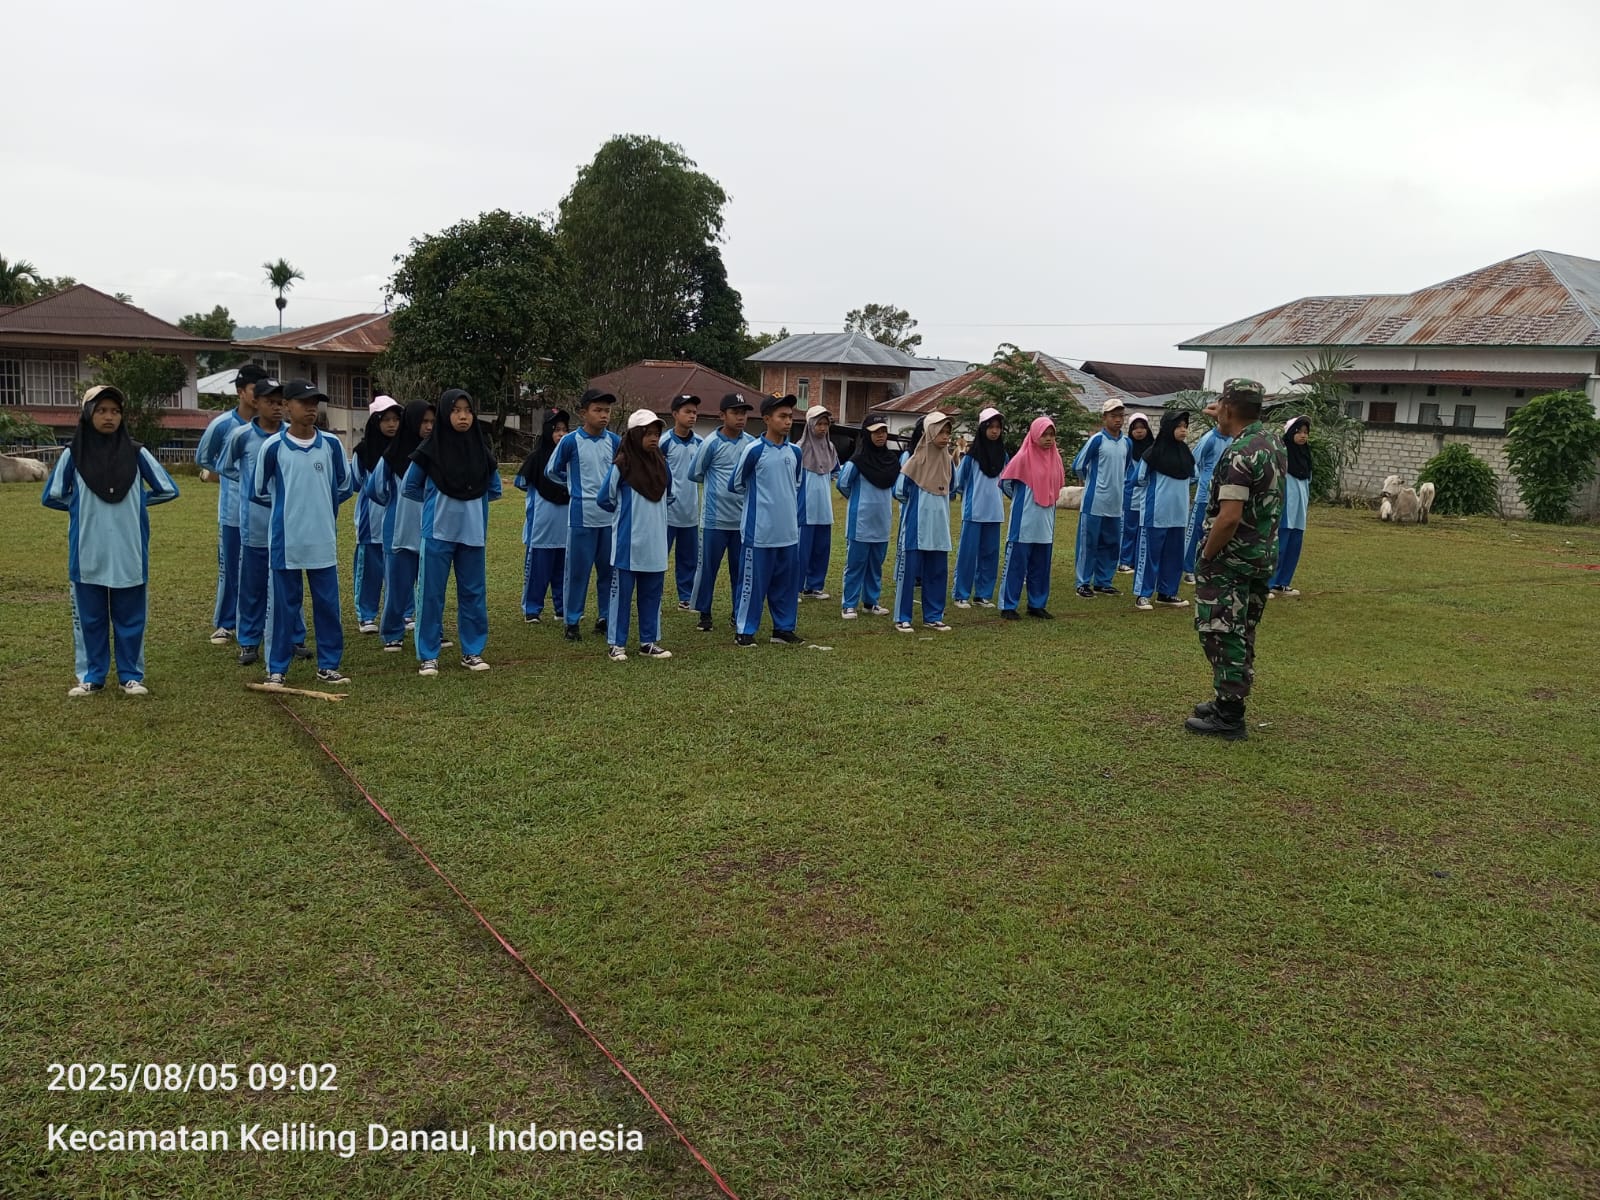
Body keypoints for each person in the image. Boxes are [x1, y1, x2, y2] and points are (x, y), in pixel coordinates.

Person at [42, 385, 180, 696]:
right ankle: (92, 676)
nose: (109, 417)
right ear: (87, 414)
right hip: (88, 551)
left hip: (129, 550)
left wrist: (136, 503)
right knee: (91, 618)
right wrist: (81, 506)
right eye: (102, 410)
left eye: (115, 411)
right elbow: (52, 495)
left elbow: (168, 489)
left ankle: (130, 675)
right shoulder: (72, 454)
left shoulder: (137, 452)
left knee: (130, 617)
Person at [1187, 378, 1285, 740]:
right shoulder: (1272, 443)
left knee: (1222, 632)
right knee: (1242, 630)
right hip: (1260, 555)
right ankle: (1227, 699)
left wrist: (1207, 555)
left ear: (1228, 407)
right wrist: (1223, 416)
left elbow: (1228, 517)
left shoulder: (1239, 454)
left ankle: (1229, 715)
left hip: (1230, 559)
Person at [252, 380, 354, 686]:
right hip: (287, 543)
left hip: (323, 540)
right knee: (284, 608)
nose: (311, 409)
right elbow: (259, 490)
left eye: (315, 403)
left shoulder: (331, 444)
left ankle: (329, 665)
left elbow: (344, 486)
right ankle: (277, 668)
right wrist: (290, 511)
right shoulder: (273, 447)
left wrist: (320, 510)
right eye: (304, 402)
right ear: (287, 406)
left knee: (328, 606)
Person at [403, 388, 501, 676]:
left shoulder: (482, 453)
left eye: (468, 410)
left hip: (472, 533)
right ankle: (428, 655)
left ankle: (472, 651)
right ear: (446, 414)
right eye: (456, 410)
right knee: (431, 594)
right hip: (438, 532)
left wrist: (468, 499)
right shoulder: (429, 450)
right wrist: (438, 501)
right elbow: (410, 486)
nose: (463, 416)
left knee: (473, 593)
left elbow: (494, 489)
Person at [219, 378, 306, 667]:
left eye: (281, 402)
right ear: (256, 403)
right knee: (253, 585)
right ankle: (248, 640)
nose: (277, 407)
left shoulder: (290, 436)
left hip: (286, 525)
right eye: (270, 401)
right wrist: (250, 484)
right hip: (254, 525)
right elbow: (225, 466)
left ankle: (294, 637)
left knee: (289, 585)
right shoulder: (242, 436)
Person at [195, 362, 266, 644]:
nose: (260, 396)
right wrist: (234, 474)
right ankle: (226, 623)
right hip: (233, 511)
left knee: (263, 569)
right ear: (240, 392)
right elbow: (203, 457)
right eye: (254, 390)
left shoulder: (273, 426)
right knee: (231, 568)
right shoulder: (223, 424)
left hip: (265, 512)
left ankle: (262, 620)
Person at [597, 408, 675, 661]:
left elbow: (670, 496)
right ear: (635, 435)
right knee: (621, 595)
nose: (654, 438)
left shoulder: (662, 465)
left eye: (657, 434)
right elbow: (605, 498)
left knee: (652, 593)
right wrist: (625, 516)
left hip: (656, 542)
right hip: (628, 543)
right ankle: (616, 643)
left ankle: (648, 641)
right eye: (648, 433)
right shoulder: (622, 465)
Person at [545, 389, 621, 642]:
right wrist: (573, 486)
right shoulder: (570, 441)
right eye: (597, 410)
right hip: (581, 517)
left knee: (608, 571)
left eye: (607, 411)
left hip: (609, 518)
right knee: (578, 572)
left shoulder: (615, 441)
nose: (603, 415)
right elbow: (551, 470)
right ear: (583, 413)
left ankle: (605, 616)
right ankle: (572, 620)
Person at [729, 394, 804, 646]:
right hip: (759, 533)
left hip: (788, 533)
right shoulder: (754, 450)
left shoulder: (795, 452)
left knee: (786, 584)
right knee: (752, 584)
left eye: (790, 416)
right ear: (767, 419)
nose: (788, 421)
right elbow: (736, 484)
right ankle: (744, 630)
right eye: (782, 416)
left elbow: (795, 484)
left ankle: (783, 629)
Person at [688, 393, 756, 632]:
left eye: (743, 413)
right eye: (735, 412)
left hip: (742, 520)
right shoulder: (711, 443)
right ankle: (704, 613)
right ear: (722, 415)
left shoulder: (751, 443)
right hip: (714, 520)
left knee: (741, 570)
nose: (740, 417)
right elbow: (695, 473)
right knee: (708, 569)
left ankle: (738, 612)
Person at [374, 400, 433, 651]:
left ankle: (432, 630)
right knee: (398, 586)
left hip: (430, 529)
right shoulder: (392, 455)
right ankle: (392, 632)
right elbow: (375, 488)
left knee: (430, 587)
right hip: (399, 530)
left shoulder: (436, 453)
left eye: (433, 422)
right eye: (424, 422)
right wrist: (394, 504)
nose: (429, 427)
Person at [892, 411, 956, 633]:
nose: (945, 436)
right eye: (941, 431)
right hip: (917, 524)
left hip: (940, 525)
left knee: (937, 571)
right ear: (929, 432)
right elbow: (900, 491)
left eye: (948, 432)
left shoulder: (948, 461)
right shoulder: (915, 460)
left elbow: (952, 487)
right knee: (909, 571)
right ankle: (903, 617)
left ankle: (933, 616)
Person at [998, 416, 1064, 619]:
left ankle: (1037, 604)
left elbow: (1058, 485)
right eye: (1044, 434)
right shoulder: (1023, 458)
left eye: (1052, 435)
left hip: (1045, 520)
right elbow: (1005, 483)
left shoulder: (1056, 459)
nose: (1048, 439)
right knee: (1017, 563)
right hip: (1024, 520)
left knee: (1041, 564)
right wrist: (1020, 498)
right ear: (1035, 434)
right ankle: (1008, 605)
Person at [835, 415, 899, 618]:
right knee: (855, 564)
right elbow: (843, 484)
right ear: (866, 434)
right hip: (860, 521)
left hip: (882, 520)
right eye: (875, 432)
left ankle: (871, 602)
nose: (880, 436)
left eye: (883, 431)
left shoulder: (891, 461)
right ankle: (849, 604)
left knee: (875, 564)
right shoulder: (857, 461)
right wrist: (858, 501)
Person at [513, 407, 570, 623]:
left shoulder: (570, 457)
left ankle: (562, 608)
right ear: (547, 431)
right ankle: (532, 609)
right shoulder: (536, 458)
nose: (561, 434)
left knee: (563, 569)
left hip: (565, 523)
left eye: (564, 430)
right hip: (542, 525)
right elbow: (521, 482)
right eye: (556, 430)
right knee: (538, 570)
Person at [350, 395, 402, 633]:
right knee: (369, 569)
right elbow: (356, 482)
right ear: (375, 422)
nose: (392, 425)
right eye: (386, 420)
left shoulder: (406, 448)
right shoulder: (363, 452)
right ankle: (366, 615)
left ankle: (404, 613)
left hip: (399, 521)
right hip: (370, 521)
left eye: (396, 419)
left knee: (399, 569)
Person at [1133, 411, 1194, 611]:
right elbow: (1139, 478)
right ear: (1169, 428)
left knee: (1174, 556)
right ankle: (1143, 594)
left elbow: (1194, 476)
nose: (1183, 430)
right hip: (1156, 512)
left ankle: (1167, 592)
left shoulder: (1186, 453)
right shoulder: (1153, 453)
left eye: (1185, 426)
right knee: (1150, 554)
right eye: (1179, 426)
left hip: (1179, 514)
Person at [1072, 399, 1130, 598]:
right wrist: (1091, 482)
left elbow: (1126, 468)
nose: (1118, 420)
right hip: (1095, 502)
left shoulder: (1126, 443)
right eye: (1113, 416)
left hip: (1115, 503)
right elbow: (1078, 465)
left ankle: (1103, 581)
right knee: (1088, 543)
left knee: (1111, 543)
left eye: (1121, 416)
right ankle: (1083, 582)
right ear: (1104, 417)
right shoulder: (1097, 440)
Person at [952, 407, 1007, 608]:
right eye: (990, 427)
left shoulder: (1003, 455)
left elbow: (1008, 480)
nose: (994, 431)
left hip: (995, 512)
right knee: (967, 555)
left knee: (990, 554)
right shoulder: (972, 456)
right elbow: (959, 481)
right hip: (974, 512)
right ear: (982, 428)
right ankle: (961, 594)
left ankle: (983, 594)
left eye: (998, 427)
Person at [661, 394, 703, 611]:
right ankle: (654, 596)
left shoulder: (701, 443)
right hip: (666, 513)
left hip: (690, 512)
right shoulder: (664, 442)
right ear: (675, 414)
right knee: (659, 557)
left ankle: (686, 597)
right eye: (687, 412)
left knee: (689, 558)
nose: (692, 416)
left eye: (695, 412)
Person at [1183, 405, 1234, 582]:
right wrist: (1196, 479)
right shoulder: (1209, 439)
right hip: (1205, 495)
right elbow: (1192, 461)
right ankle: (1188, 569)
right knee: (1196, 530)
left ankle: (1209, 567)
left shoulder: (1233, 440)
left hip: (1224, 495)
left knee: (1215, 532)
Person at [796, 407, 839, 600]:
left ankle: (814, 586)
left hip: (824, 507)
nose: (822, 428)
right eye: (818, 424)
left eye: (825, 424)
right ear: (810, 425)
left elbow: (836, 472)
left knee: (821, 547)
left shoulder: (830, 448)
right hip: (805, 506)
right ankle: (795, 587)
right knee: (801, 550)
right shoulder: (798, 449)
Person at [1268, 416, 1311, 599]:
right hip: (1286, 507)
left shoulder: (1306, 455)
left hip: (1300, 508)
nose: (1303, 436)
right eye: (1298, 432)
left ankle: (1283, 583)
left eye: (1306, 432)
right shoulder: (1282, 454)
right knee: (1280, 544)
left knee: (1294, 545)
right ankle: (1268, 583)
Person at [1118, 412, 1152, 574]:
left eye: (1142, 427)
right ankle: (1124, 561)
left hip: (1147, 495)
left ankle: (1138, 560)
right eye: (1135, 428)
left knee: (1142, 530)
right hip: (1131, 494)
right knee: (1129, 529)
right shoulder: (1127, 447)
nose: (1139, 431)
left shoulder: (1153, 448)